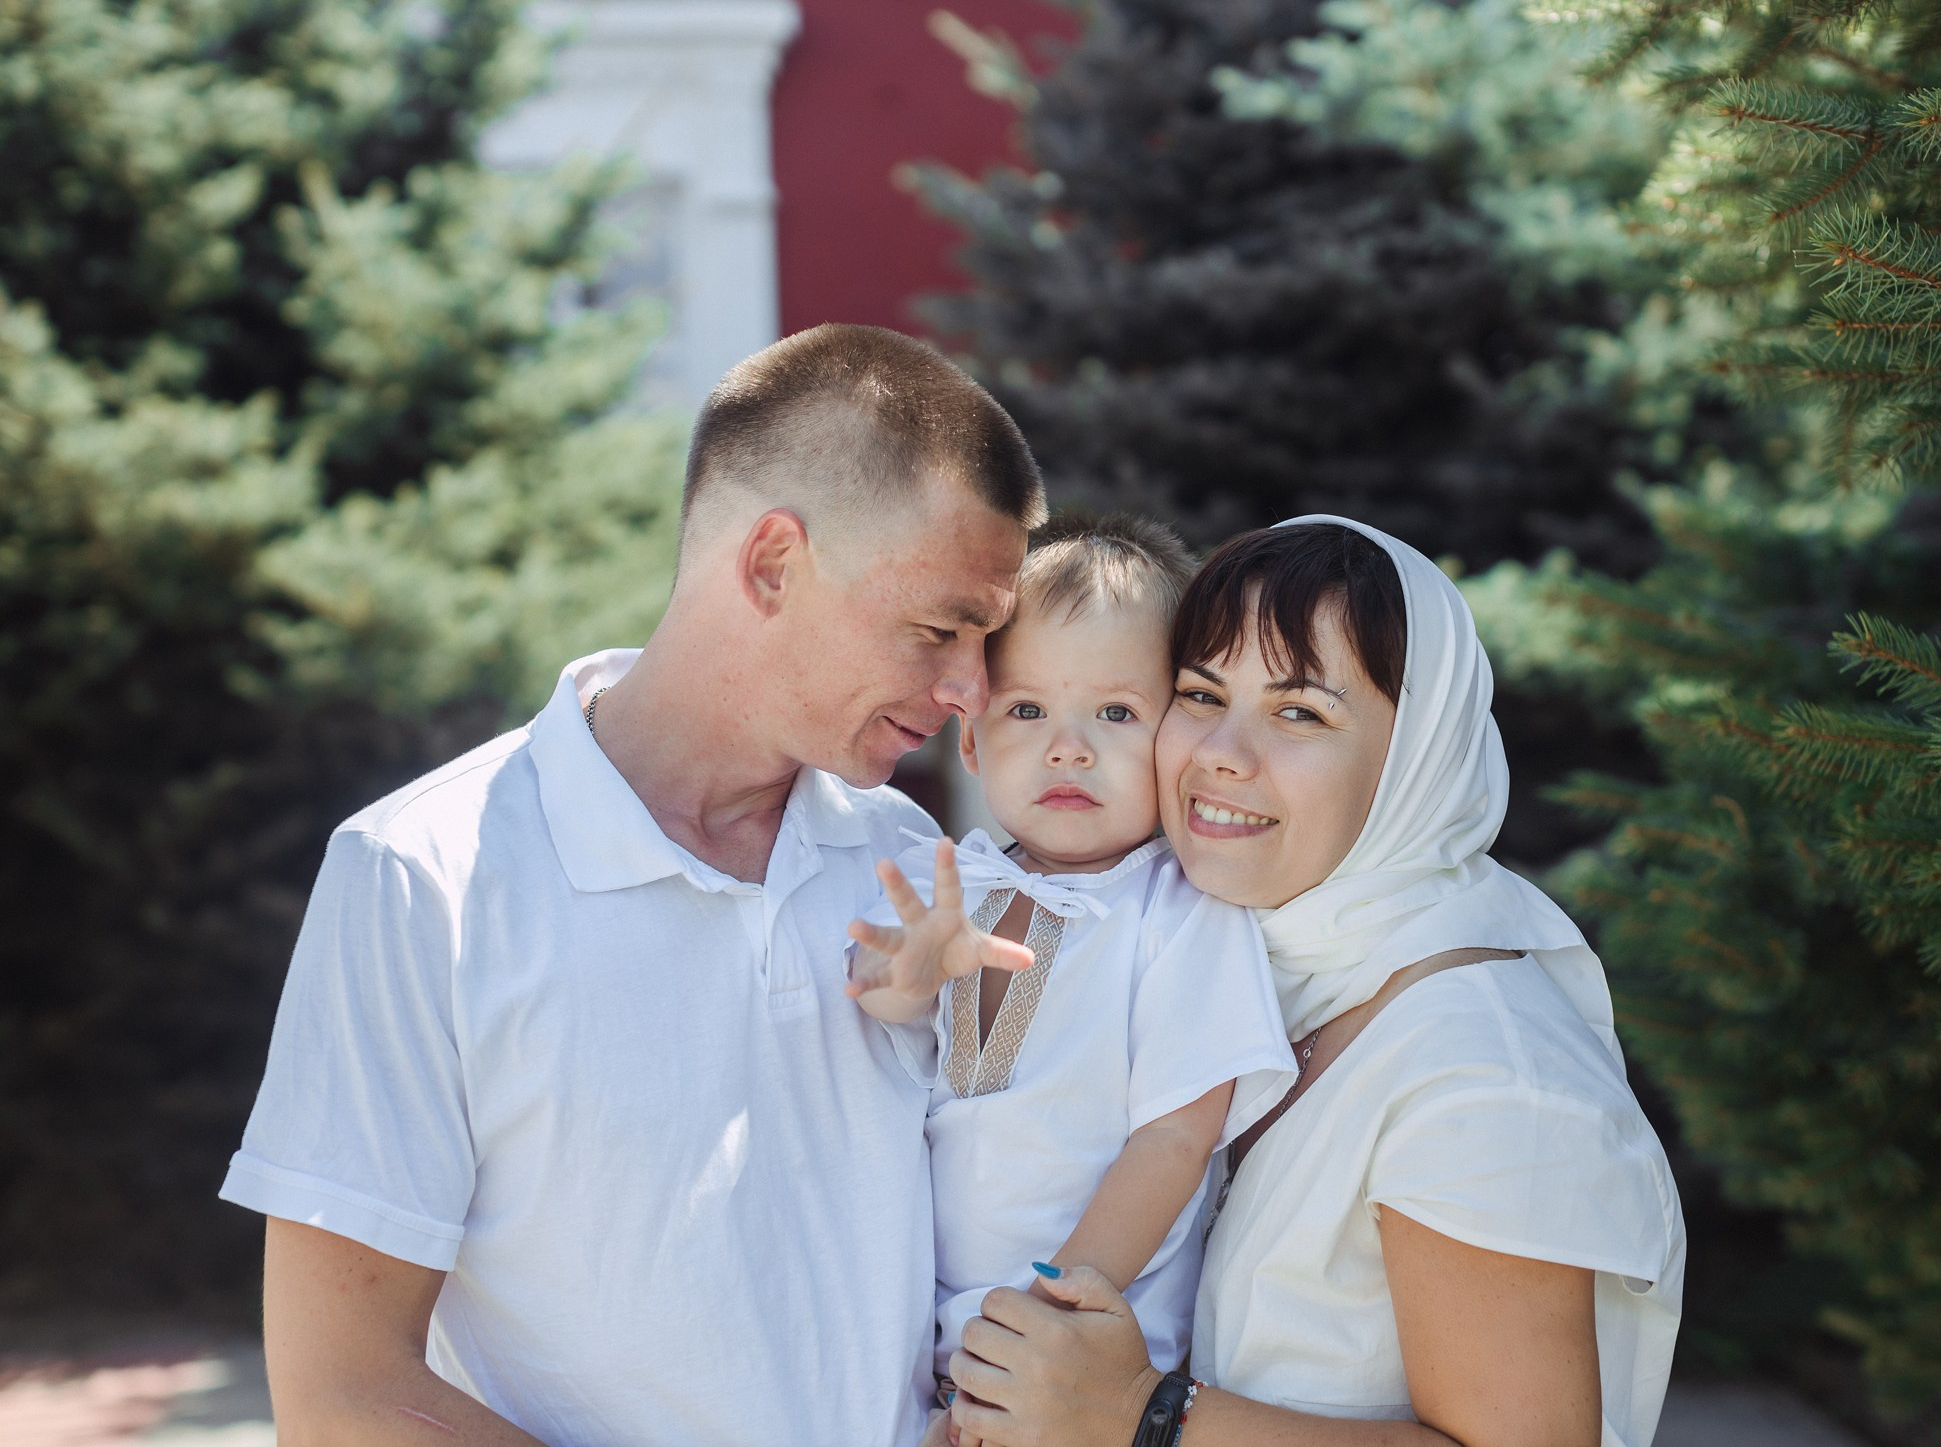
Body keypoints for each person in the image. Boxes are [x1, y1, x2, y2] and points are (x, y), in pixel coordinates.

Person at [217, 324, 1047, 1447]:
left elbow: (1018, 1179)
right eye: (939, 628)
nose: (969, 690)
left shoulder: (914, 863)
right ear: (771, 564)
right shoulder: (421, 875)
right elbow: (345, 1397)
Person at [940, 518, 1686, 1447]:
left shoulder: (1484, 1071)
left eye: (1300, 712)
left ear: (1414, 758)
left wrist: (1145, 1417)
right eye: (1201, 694)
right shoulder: (1255, 963)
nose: (1223, 752)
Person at [846, 515, 1296, 1399]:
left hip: (1082, 1344)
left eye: (1117, 712)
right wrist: (906, 976)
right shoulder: (953, 880)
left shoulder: (1178, 910)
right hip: (935, 1342)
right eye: (1027, 709)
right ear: (969, 741)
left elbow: (1174, 1134)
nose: (1069, 745)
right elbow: (878, 1000)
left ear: (1178, 741)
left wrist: (1053, 1315)